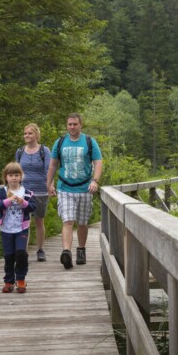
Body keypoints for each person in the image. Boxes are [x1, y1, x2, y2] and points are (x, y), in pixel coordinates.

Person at [46, 113, 103, 270]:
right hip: (65, 188)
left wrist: (95, 181)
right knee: (68, 220)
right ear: (67, 125)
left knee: (82, 223)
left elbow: (98, 163)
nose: (72, 127)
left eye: (75, 124)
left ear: (80, 125)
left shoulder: (90, 141)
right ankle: (66, 252)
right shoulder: (60, 142)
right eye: (69, 124)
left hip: (84, 188)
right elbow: (53, 165)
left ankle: (81, 250)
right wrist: (48, 184)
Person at [0, 162, 36, 293]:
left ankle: (21, 279)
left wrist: (23, 203)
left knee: (21, 252)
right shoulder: (0, 192)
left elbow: (33, 207)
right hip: (6, 228)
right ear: (6, 177)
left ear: (21, 177)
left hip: (21, 228)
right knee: (9, 255)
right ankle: (9, 281)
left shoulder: (26, 193)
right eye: (10, 175)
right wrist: (8, 201)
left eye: (16, 175)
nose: (14, 178)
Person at [15, 123, 52, 262]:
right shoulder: (20, 151)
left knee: (39, 221)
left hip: (41, 191)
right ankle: (23, 251)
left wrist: (51, 186)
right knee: (24, 222)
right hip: (24, 192)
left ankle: (40, 250)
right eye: (25, 133)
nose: (27, 136)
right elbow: (16, 171)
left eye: (30, 133)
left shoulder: (44, 151)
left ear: (36, 135)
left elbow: (49, 169)